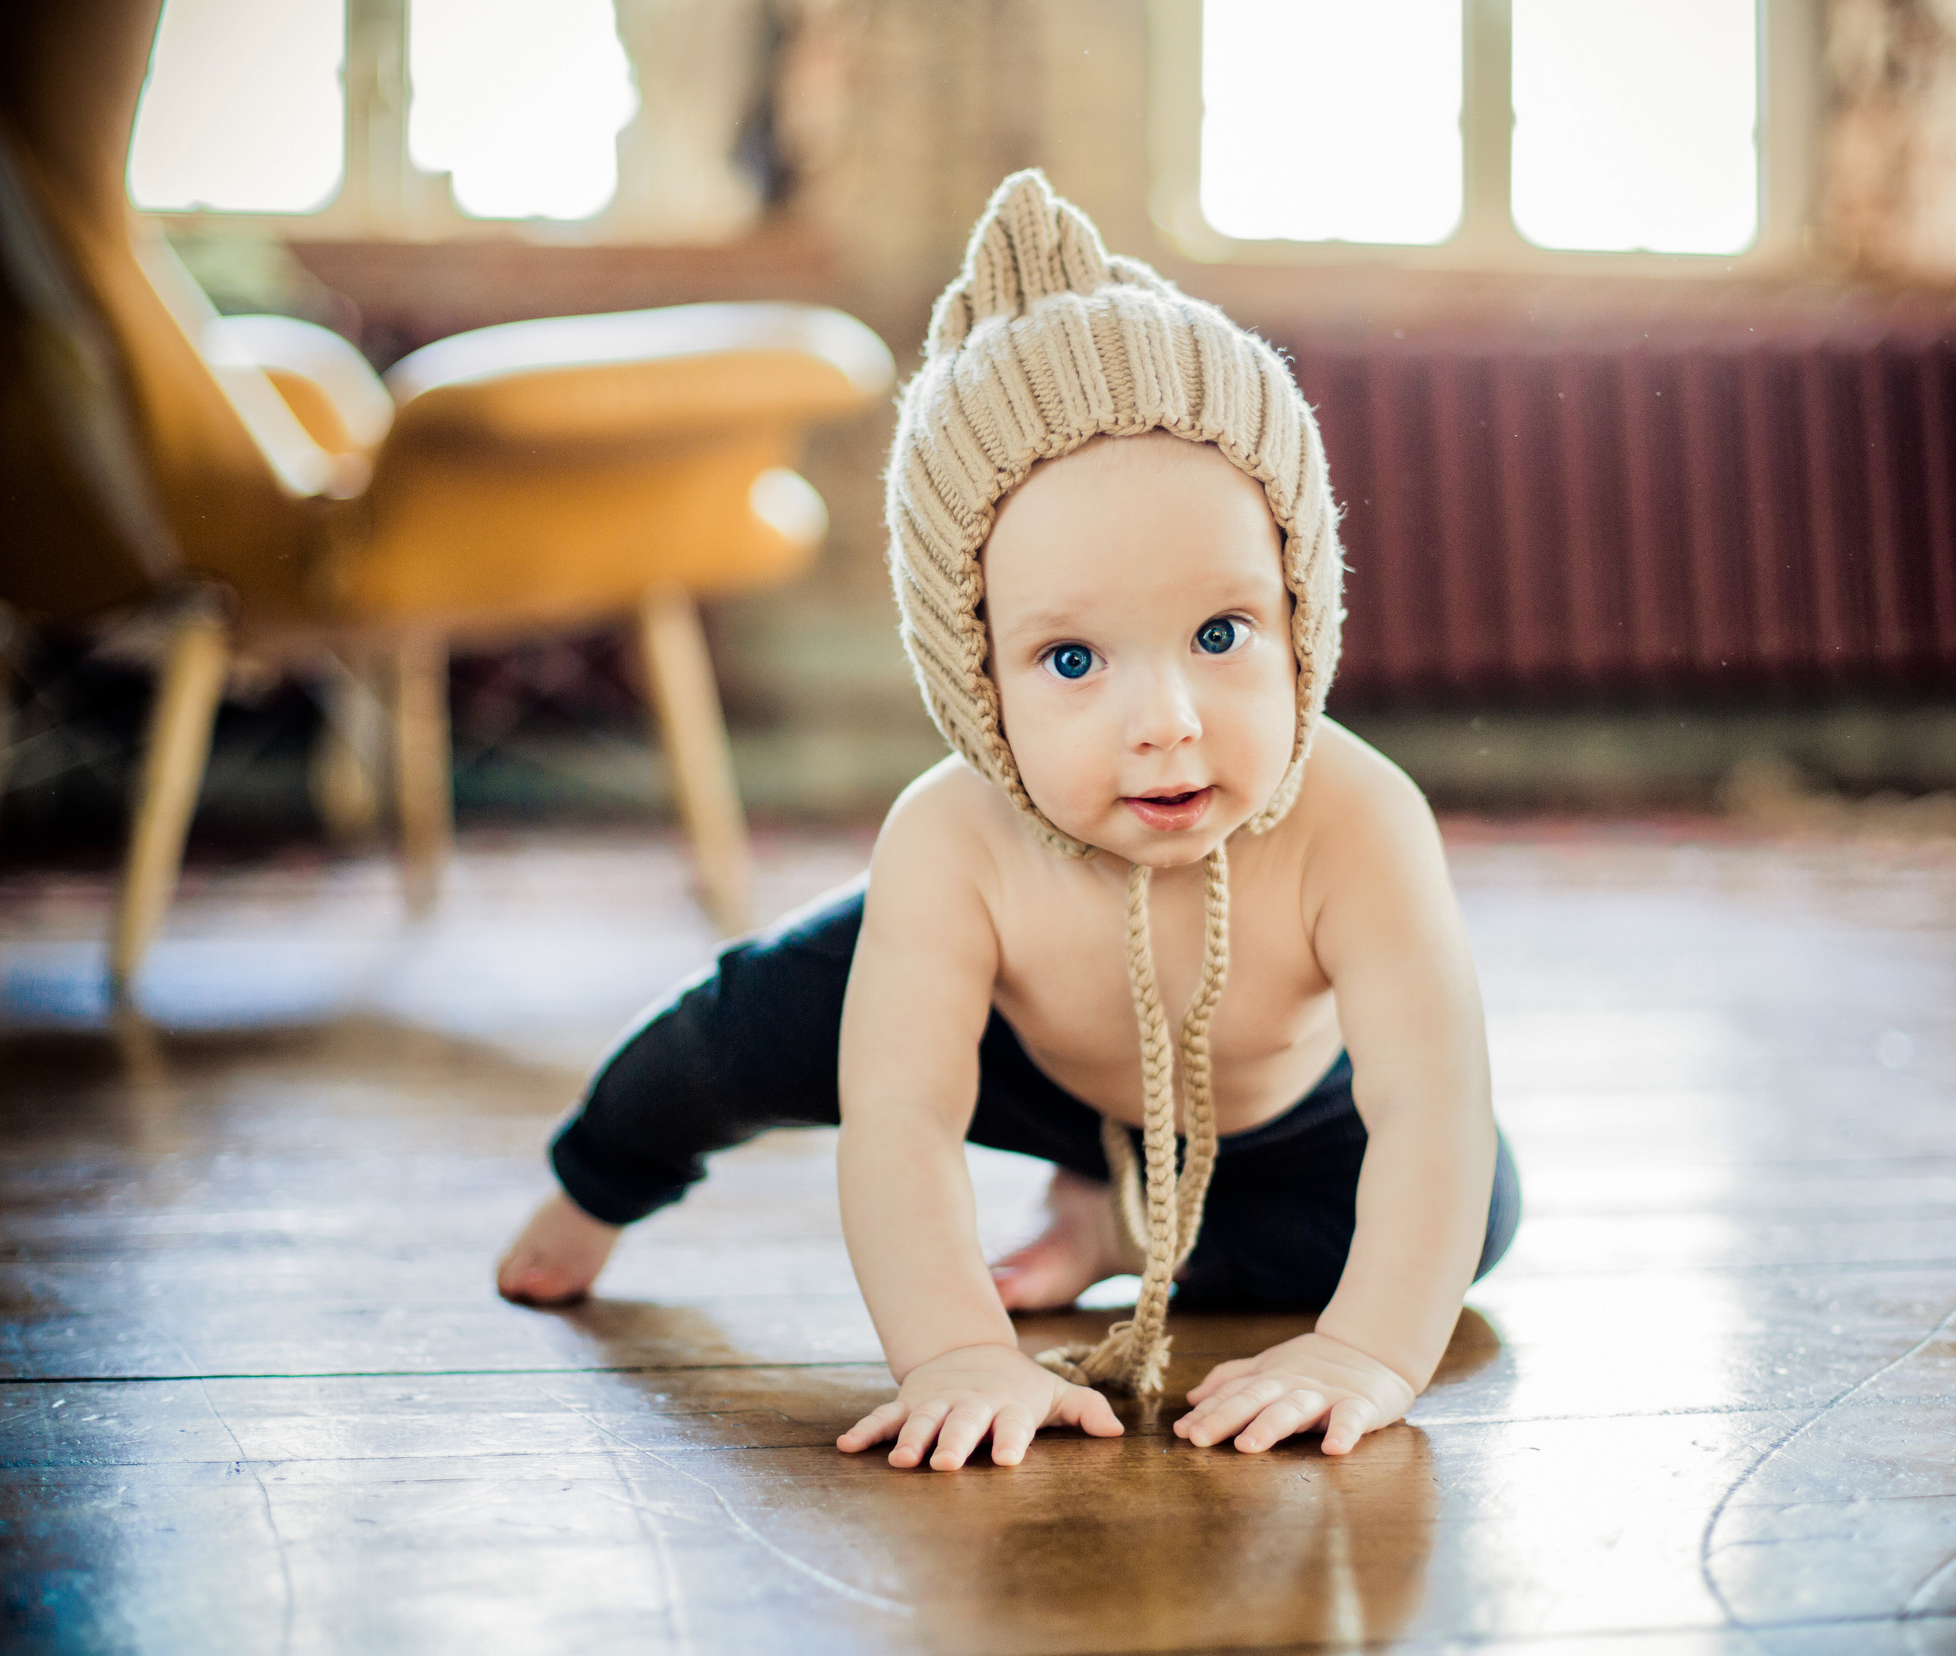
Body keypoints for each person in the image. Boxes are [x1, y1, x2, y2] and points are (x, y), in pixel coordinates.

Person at [494, 170, 1516, 1470]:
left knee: (1473, 1206)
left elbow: (1429, 1102)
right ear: (975, 674)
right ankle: (593, 1181)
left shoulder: (1361, 819)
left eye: (1220, 634)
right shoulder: (953, 838)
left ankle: (1118, 1226)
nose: (1167, 721)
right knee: (725, 1039)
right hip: (1015, 1049)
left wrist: (1366, 1346)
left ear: (1301, 613)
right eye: (1074, 661)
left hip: (1270, 1106)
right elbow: (905, 1118)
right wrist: (959, 1353)